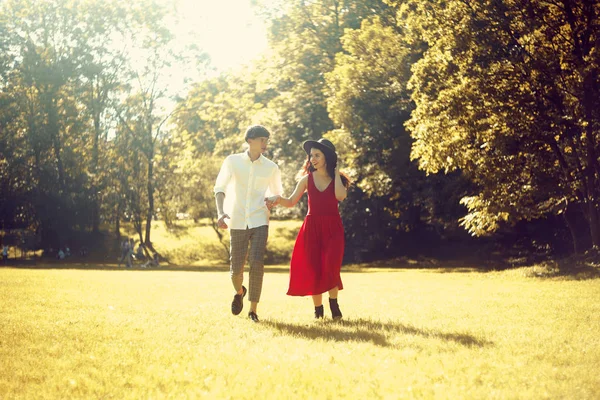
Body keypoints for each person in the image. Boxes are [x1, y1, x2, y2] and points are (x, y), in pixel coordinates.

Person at [267, 138, 351, 320]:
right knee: (314, 268)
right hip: (312, 228)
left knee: (331, 266)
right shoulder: (307, 179)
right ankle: (318, 310)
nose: (312, 159)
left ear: (327, 157)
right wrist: (276, 199)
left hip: (332, 228)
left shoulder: (338, 180)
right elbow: (290, 201)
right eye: (311, 155)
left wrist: (336, 173)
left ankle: (334, 304)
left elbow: (340, 196)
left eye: (317, 155)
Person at [214, 125, 283, 323]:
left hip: (260, 219)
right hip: (236, 219)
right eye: (262, 139)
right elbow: (219, 187)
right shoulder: (232, 161)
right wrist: (220, 212)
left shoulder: (271, 167)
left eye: (267, 140)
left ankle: (253, 310)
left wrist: (273, 199)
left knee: (257, 262)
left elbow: (277, 193)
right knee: (236, 270)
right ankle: (239, 291)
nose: (265, 144)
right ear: (250, 140)